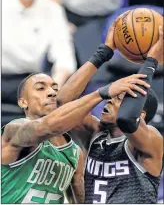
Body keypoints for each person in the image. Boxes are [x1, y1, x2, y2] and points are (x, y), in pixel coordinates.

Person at [56, 13, 164, 203]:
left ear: (141, 113)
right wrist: (103, 52)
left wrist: (151, 61)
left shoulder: (152, 140)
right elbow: (64, 101)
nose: (109, 100)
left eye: (120, 98)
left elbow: (127, 120)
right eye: (112, 96)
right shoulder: (94, 133)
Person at [1, 67, 148, 202]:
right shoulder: (13, 130)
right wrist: (102, 93)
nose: (52, 92)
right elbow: (48, 127)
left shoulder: (75, 153)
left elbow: (80, 201)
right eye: (40, 88)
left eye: (55, 88)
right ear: (23, 102)